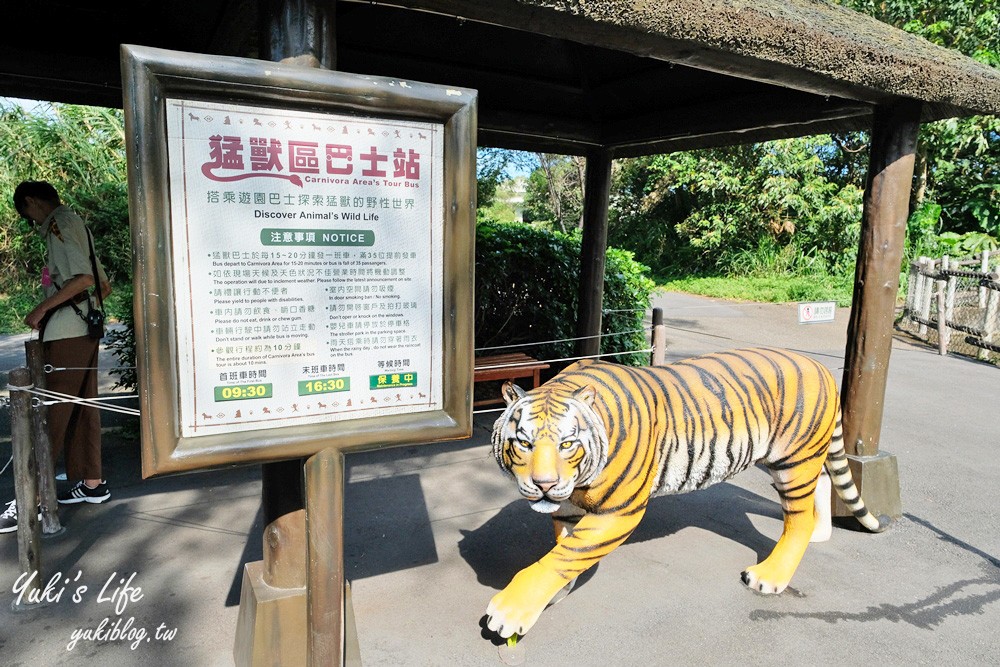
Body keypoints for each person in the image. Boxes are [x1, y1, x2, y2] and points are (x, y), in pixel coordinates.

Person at [0, 181, 111, 534]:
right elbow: (102, 285)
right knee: (82, 406)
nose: (33, 222)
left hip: (66, 331)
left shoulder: (57, 224)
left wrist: (42, 309)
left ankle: (28, 499)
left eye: (28, 214)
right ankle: (92, 483)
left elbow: (82, 279)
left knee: (52, 414)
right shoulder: (76, 221)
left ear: (32, 202)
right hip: (86, 328)